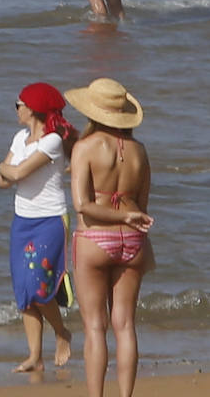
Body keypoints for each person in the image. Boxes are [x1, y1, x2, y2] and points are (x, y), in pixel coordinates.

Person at [63, 78, 153, 397]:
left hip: (94, 240)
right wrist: (127, 216)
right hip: (133, 242)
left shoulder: (85, 148)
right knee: (125, 325)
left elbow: (82, 205)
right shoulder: (140, 151)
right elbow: (141, 206)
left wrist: (118, 215)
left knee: (95, 328)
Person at [0, 83, 76, 374]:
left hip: (50, 221)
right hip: (22, 222)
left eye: (18, 104)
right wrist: (6, 171)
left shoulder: (52, 141)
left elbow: (14, 172)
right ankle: (34, 356)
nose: (16, 110)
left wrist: (3, 168)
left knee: (38, 287)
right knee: (23, 293)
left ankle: (62, 332)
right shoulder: (20, 138)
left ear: (32, 108)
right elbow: (2, 182)